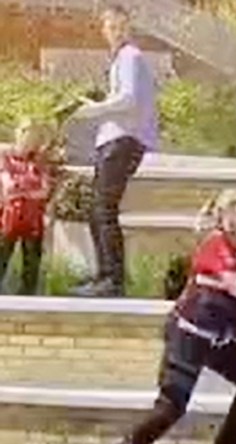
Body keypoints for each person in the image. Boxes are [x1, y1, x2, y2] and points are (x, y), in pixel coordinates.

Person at [104, 189, 236, 444]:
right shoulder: (215, 244)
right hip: (190, 333)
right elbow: (234, 284)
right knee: (171, 405)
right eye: (233, 216)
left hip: (221, 338)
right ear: (221, 218)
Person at [70, 4, 158, 297]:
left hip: (123, 140)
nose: (117, 32)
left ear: (128, 28)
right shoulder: (122, 58)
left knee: (104, 209)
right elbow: (122, 99)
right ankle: (104, 275)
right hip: (117, 139)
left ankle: (112, 279)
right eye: (112, 27)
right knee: (99, 209)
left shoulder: (130, 56)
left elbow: (129, 100)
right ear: (104, 30)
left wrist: (94, 110)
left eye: (122, 27)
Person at [0, 119, 53, 295]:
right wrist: (29, 191)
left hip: (32, 217)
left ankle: (27, 295)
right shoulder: (6, 157)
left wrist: (22, 191)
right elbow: (8, 187)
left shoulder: (39, 162)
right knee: (2, 255)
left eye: (35, 138)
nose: (30, 142)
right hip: (9, 215)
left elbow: (44, 191)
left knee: (31, 263)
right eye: (28, 136)